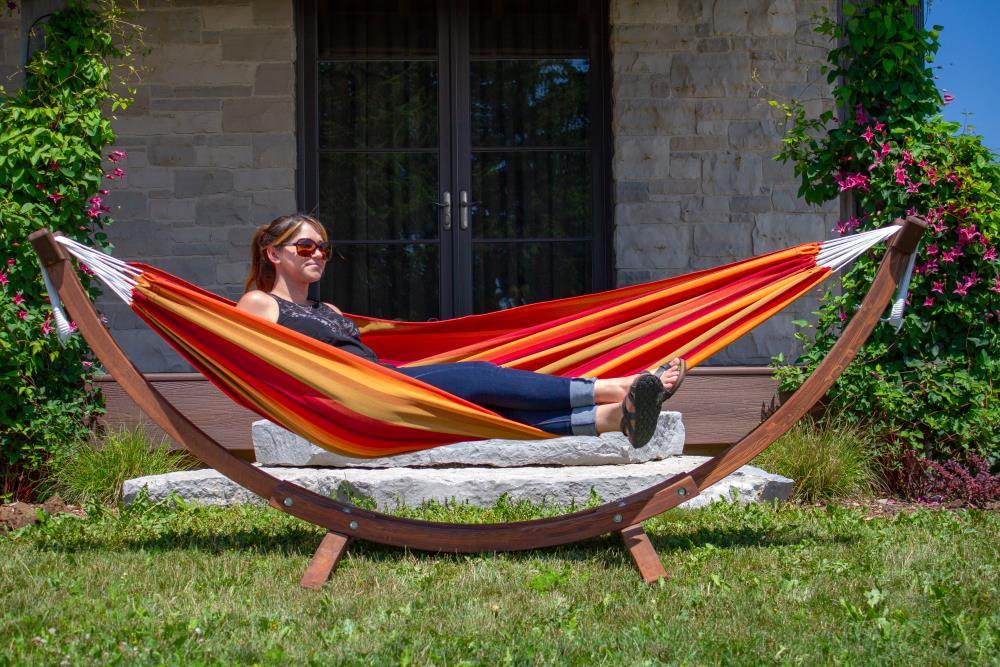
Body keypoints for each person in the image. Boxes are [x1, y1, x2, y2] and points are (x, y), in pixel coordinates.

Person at [236, 214, 685, 448]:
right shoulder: (259, 303)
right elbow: (255, 366)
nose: (318, 254)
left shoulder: (327, 308)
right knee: (477, 375)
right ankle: (619, 386)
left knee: (483, 407)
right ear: (274, 254)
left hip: (380, 383)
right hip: (347, 398)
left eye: (324, 248)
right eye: (306, 245)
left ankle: (612, 418)